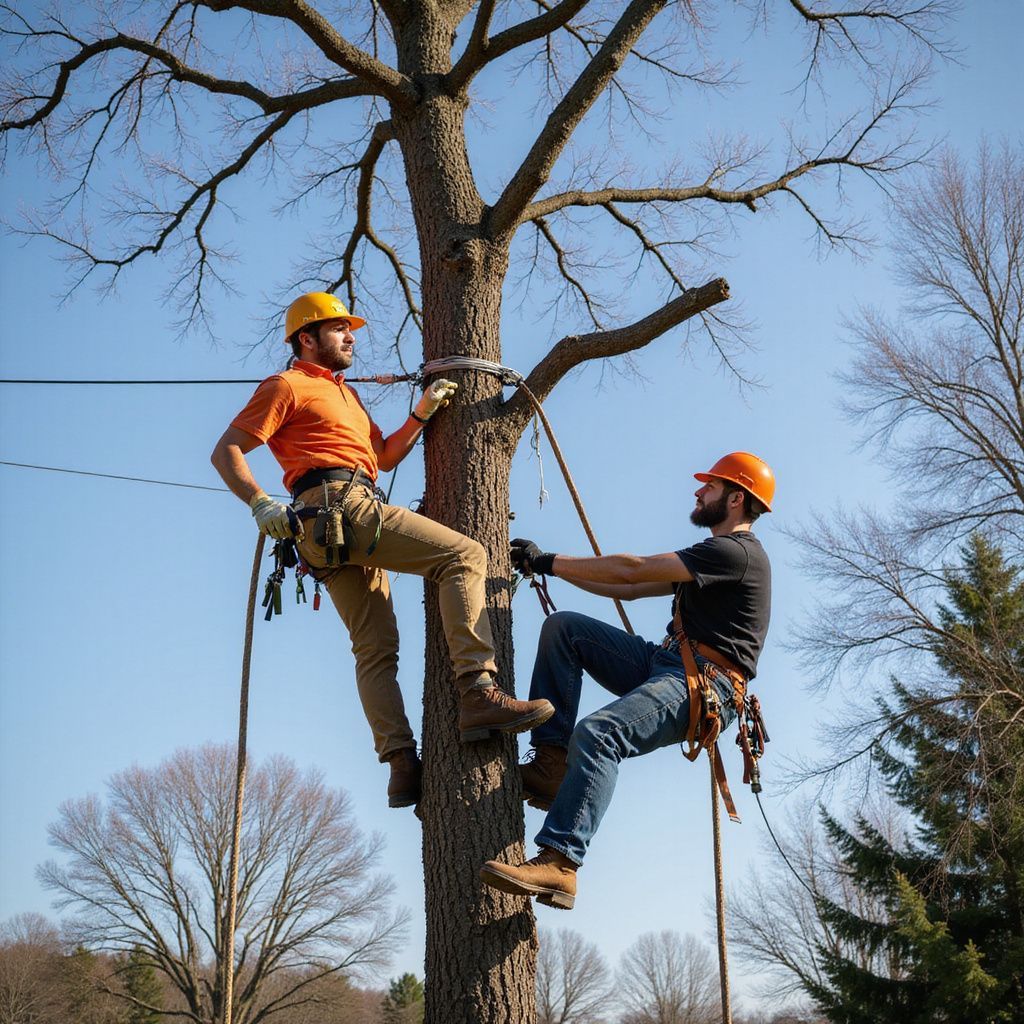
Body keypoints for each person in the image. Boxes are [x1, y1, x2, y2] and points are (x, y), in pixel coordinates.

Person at [211, 292, 553, 808]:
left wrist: (421, 414)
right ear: (307, 338)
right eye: (338, 329)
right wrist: (259, 502)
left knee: (374, 650)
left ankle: (401, 766)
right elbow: (226, 449)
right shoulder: (288, 385)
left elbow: (384, 457)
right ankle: (478, 692)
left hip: (334, 522)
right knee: (465, 556)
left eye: (350, 330)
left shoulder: (347, 397)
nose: (350, 337)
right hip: (339, 507)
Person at [479, 452, 774, 909]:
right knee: (566, 629)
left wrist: (550, 561)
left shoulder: (734, 553)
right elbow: (629, 588)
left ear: (736, 498)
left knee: (600, 734)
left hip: (704, 686)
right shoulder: (710, 559)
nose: (698, 492)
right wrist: (545, 566)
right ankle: (552, 767)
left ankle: (561, 864)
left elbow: (632, 570)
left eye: (709, 487)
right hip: (669, 663)